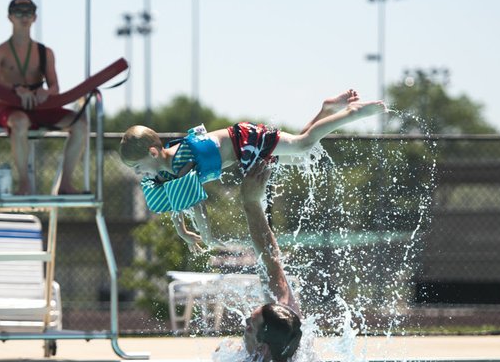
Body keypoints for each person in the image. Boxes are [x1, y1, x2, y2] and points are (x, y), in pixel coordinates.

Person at [119, 90, 385, 252]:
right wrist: (183, 232)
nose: (139, 173)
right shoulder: (164, 172)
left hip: (246, 141)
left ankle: (351, 113)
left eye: (139, 167)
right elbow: (178, 201)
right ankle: (326, 110)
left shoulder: (181, 160)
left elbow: (196, 205)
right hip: (242, 155)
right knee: (294, 154)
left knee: (302, 145)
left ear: (153, 153)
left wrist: (207, 236)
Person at [196, 163, 319, 362]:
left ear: (263, 348)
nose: (244, 324)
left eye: (250, 327)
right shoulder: (294, 337)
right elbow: (272, 260)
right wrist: (252, 203)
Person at [0, 0, 87, 195]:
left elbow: (55, 86)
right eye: (19, 12)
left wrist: (45, 92)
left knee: (80, 123)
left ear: (35, 17)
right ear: (10, 17)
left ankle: (65, 185)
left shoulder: (44, 52)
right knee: (20, 122)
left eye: (28, 12)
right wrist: (16, 89)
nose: (24, 16)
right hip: (10, 108)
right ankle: (25, 184)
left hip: (39, 107)